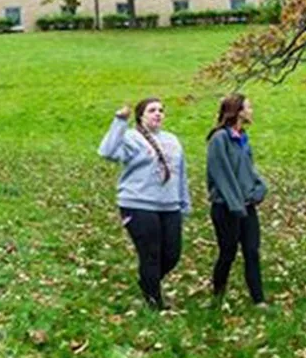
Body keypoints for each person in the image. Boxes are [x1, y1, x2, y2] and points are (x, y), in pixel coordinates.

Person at [98, 97, 191, 310]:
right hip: (138, 204)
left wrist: (184, 202)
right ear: (141, 116)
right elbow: (107, 152)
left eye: (161, 110)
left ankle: (148, 282)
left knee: (172, 255)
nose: (158, 113)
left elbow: (181, 173)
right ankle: (154, 303)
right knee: (150, 254)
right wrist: (120, 122)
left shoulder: (172, 140)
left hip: (170, 205)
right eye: (152, 110)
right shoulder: (132, 137)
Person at [206, 93, 268, 305]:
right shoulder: (219, 139)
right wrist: (236, 205)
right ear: (238, 111)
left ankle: (259, 300)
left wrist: (259, 189)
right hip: (226, 207)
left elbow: (248, 170)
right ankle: (217, 295)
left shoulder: (242, 138)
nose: (251, 111)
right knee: (228, 252)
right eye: (248, 107)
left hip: (246, 206)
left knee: (252, 251)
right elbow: (221, 175)